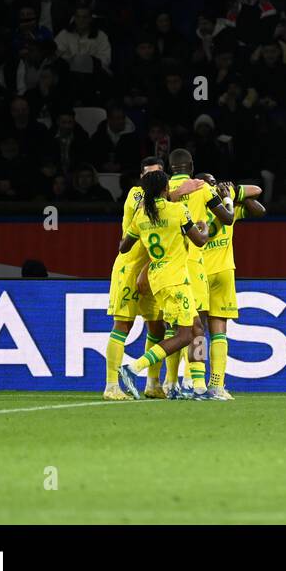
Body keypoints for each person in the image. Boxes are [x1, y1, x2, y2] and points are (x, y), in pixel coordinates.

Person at [114, 170, 210, 400]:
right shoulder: (178, 210)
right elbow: (200, 240)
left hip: (158, 277)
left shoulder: (141, 216)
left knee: (196, 328)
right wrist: (204, 227)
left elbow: (124, 247)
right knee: (186, 334)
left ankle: (198, 388)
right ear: (166, 188)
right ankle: (134, 368)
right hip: (176, 278)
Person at [163, 149, 233, 397]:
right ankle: (198, 383)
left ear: (170, 168)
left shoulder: (161, 190)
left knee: (173, 326)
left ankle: (170, 384)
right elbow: (227, 218)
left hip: (167, 266)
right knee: (198, 327)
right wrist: (227, 201)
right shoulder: (202, 188)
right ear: (191, 166)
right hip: (193, 263)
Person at [198, 173, 267, 401]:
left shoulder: (207, 207)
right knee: (203, 332)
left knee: (206, 331)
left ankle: (209, 384)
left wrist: (236, 195)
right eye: (210, 183)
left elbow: (259, 209)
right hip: (210, 274)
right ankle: (200, 383)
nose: (214, 185)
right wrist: (235, 194)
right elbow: (256, 192)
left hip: (209, 275)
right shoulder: (221, 208)